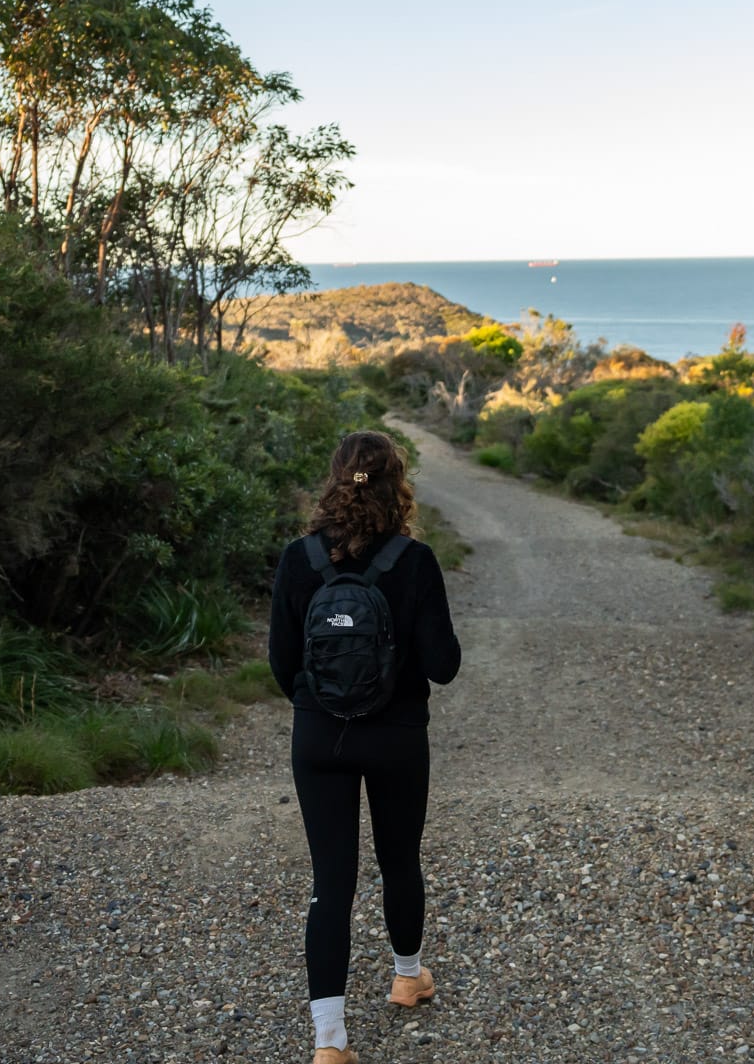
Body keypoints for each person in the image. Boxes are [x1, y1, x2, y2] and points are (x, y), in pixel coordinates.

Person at [269, 430, 462, 1064]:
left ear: (333, 480)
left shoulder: (299, 560)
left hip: (319, 736)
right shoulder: (414, 559)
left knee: (332, 882)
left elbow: (279, 666)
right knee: (399, 861)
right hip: (397, 736)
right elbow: (443, 666)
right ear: (397, 483)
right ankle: (408, 977)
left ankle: (330, 1042)